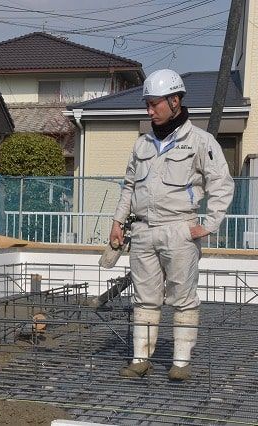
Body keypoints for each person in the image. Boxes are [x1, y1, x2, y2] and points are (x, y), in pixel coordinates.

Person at [111, 69, 234, 381]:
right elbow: (128, 187)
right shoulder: (142, 145)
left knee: (182, 297)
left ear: (175, 101)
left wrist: (208, 225)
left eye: (155, 104)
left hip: (179, 229)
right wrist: (117, 222)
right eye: (148, 104)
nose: (150, 110)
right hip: (143, 231)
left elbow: (222, 184)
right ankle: (141, 358)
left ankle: (180, 362)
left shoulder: (200, 142)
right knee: (145, 297)